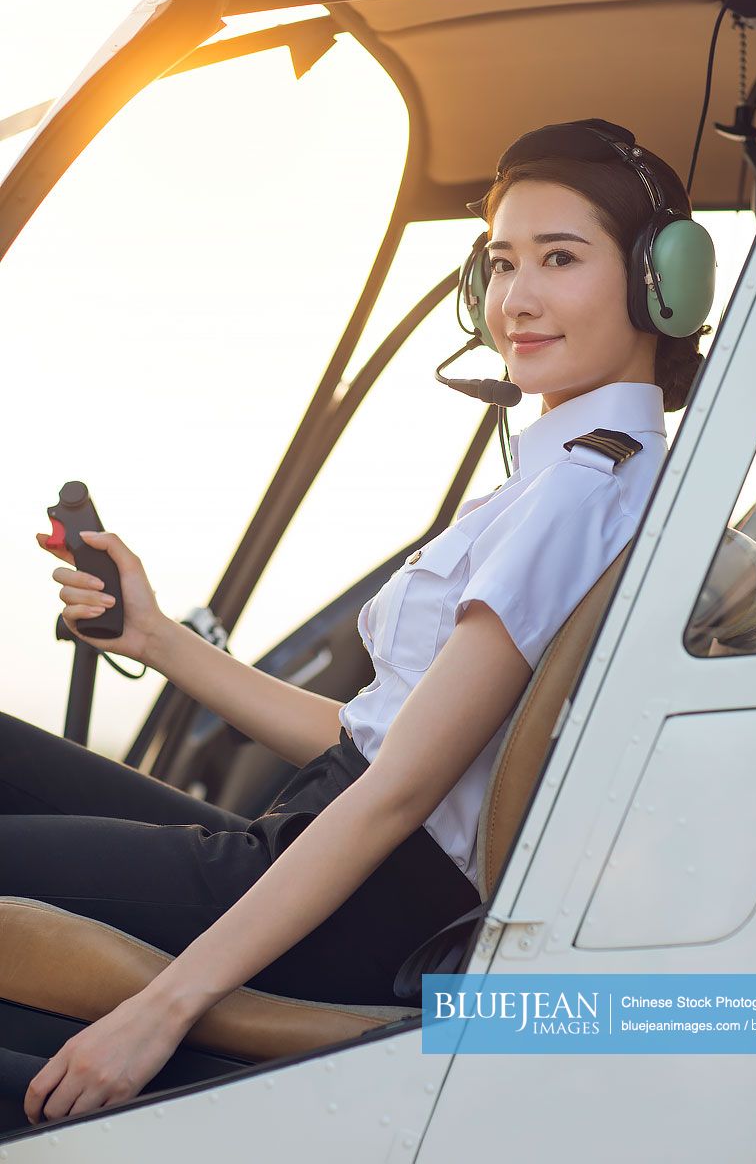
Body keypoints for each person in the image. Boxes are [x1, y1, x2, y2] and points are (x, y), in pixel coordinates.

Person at [4, 119, 709, 1124]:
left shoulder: (577, 493)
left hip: (360, 890)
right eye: (502, 262)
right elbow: (372, 741)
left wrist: (162, 1008)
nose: (518, 298)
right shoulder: (586, 472)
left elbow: (396, 791)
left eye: (561, 258)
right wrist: (158, 638)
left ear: (657, 286)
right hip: (335, 850)